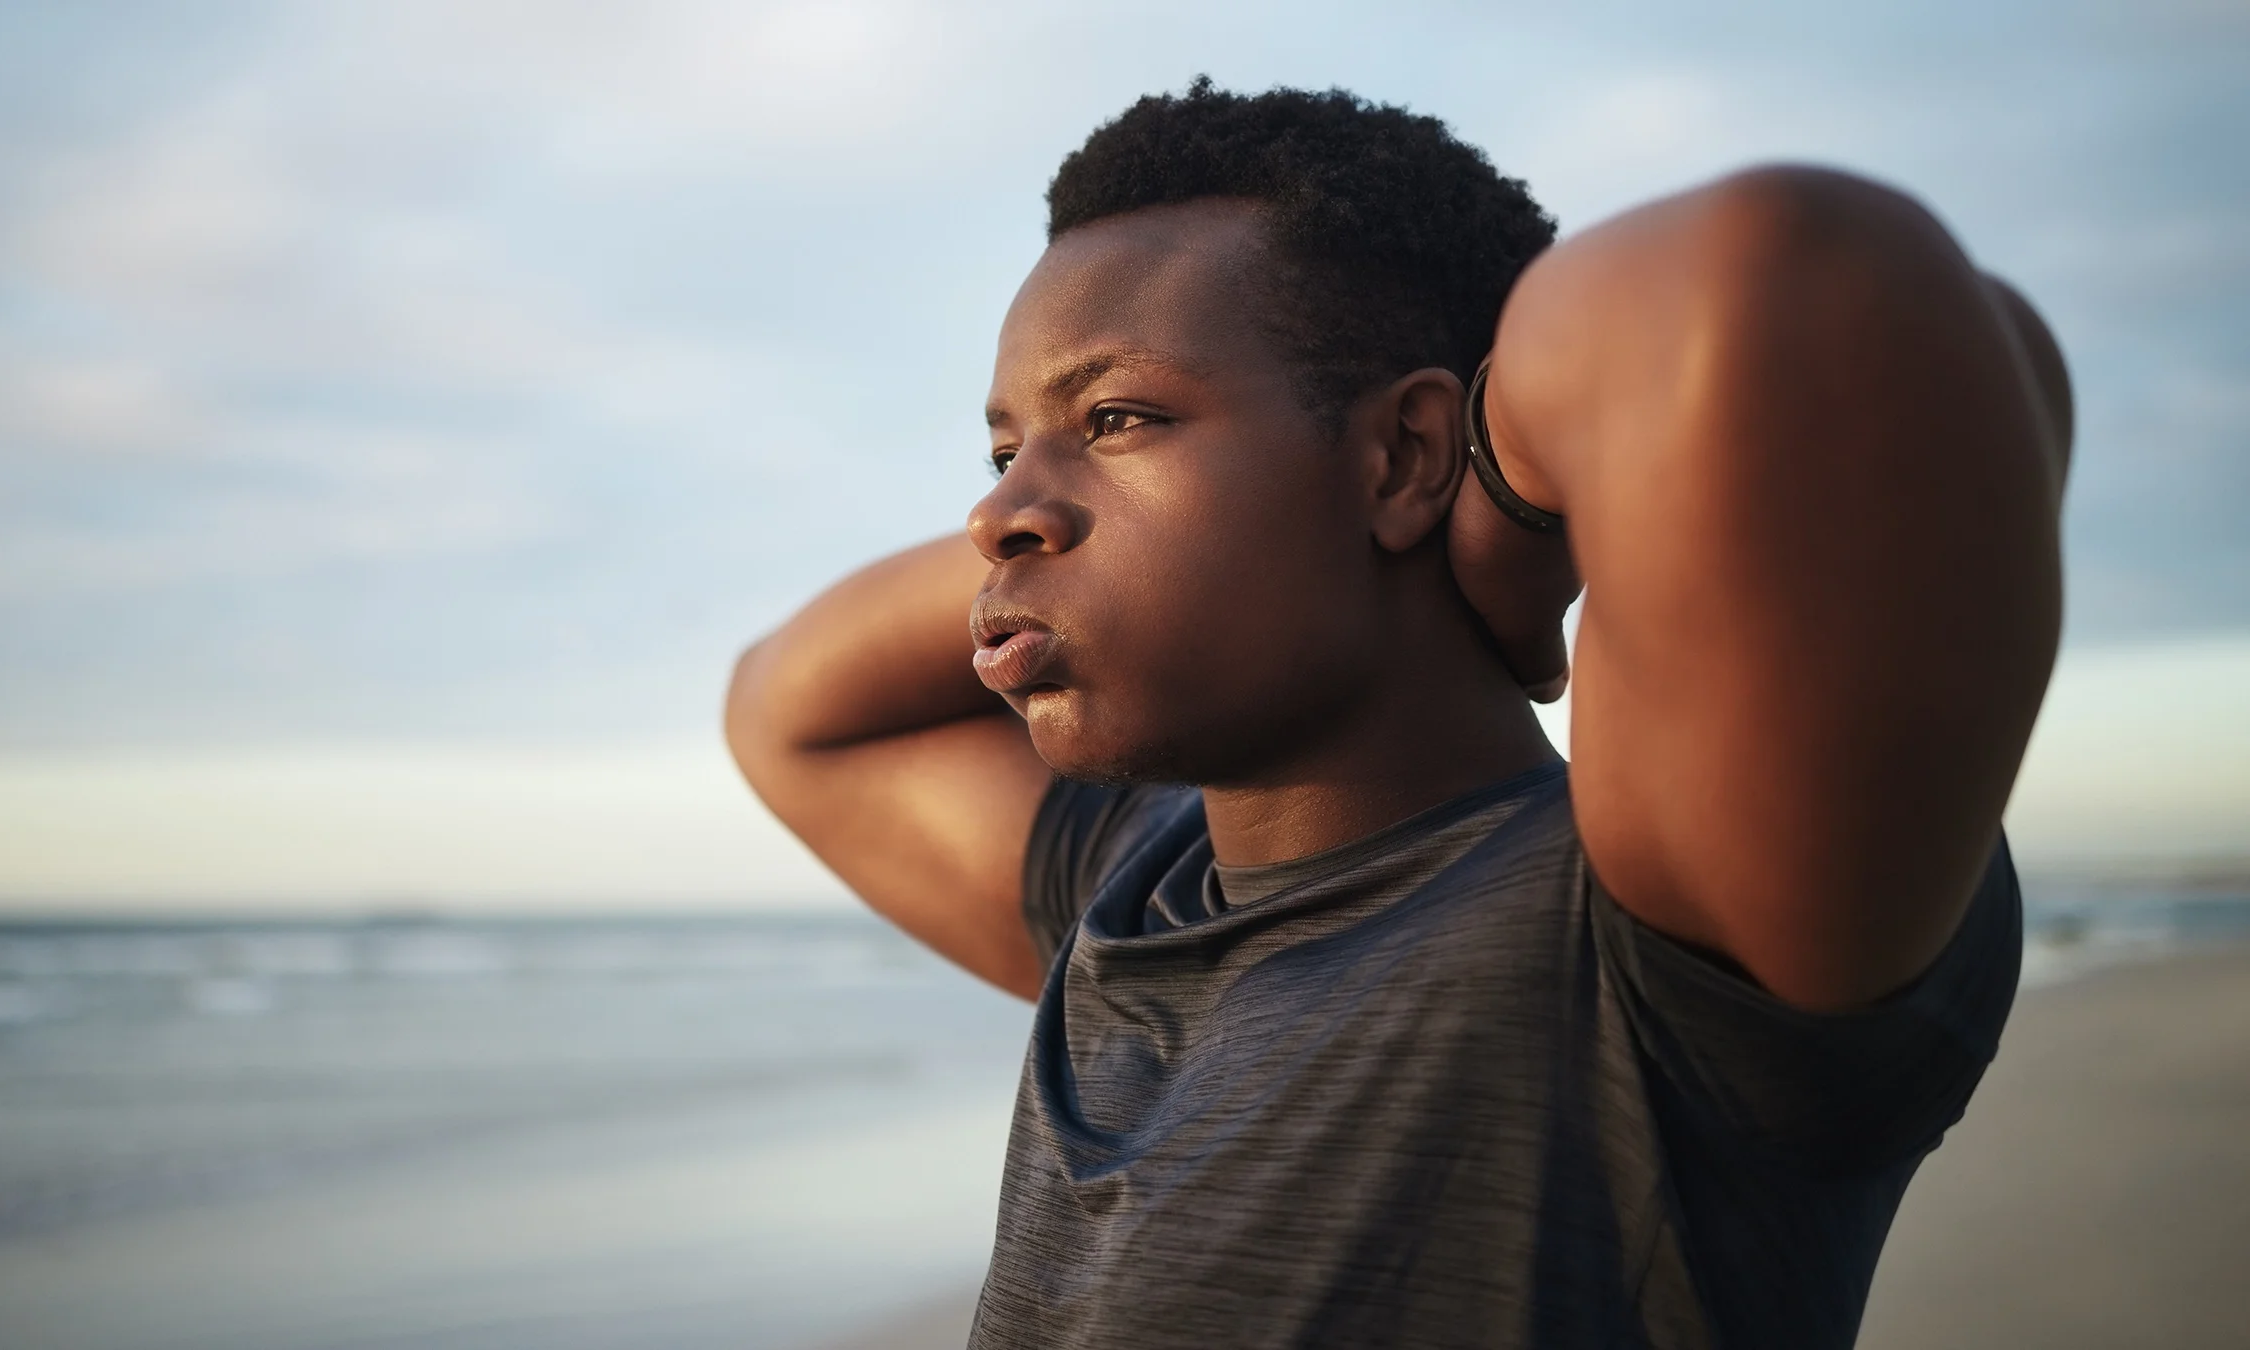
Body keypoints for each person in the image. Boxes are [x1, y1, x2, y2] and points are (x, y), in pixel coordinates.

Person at [725, 79, 2070, 1350]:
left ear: (1406, 454)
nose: (995, 514)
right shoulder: (1129, 884)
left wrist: (1518, 502)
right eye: (1006, 446)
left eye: (1117, 414)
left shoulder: (1654, 937)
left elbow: (1802, 286)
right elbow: (784, 703)